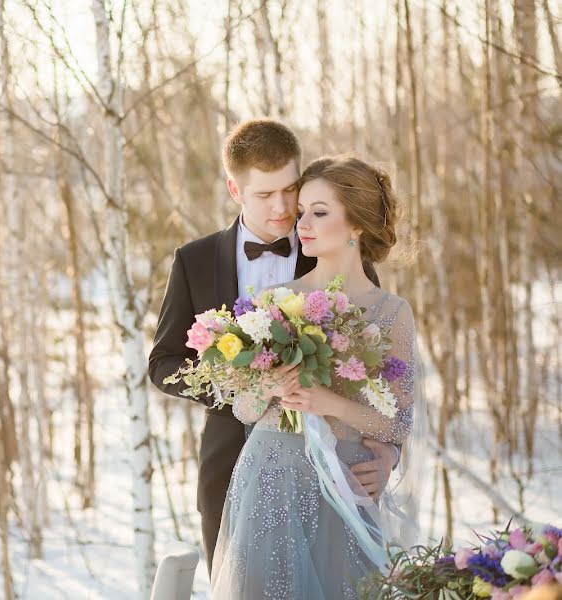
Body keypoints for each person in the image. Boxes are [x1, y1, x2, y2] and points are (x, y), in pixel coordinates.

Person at [148, 120, 398, 576]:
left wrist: (386, 454)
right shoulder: (194, 260)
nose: (283, 208)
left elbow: (377, 369)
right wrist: (238, 384)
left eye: (290, 189)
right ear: (234, 189)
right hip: (227, 465)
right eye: (265, 195)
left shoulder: (336, 248)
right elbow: (162, 363)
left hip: (324, 469)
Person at [209, 155, 420, 599]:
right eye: (302, 212)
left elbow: (396, 422)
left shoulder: (391, 313)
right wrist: (269, 388)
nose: (301, 223)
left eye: (319, 213)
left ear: (356, 224)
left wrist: (328, 404)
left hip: (343, 484)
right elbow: (244, 408)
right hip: (269, 479)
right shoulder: (274, 300)